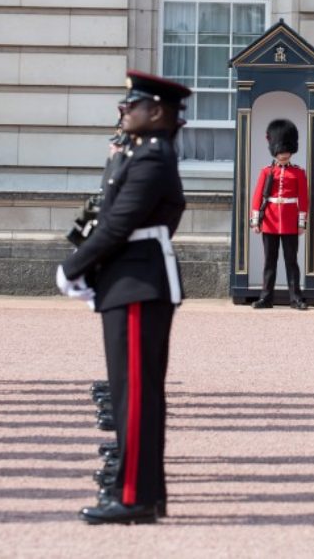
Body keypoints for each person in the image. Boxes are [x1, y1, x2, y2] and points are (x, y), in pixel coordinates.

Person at [58, 69, 188, 525]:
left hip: (137, 281)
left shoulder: (153, 156)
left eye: (132, 105)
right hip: (129, 279)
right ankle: (143, 491)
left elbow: (119, 224)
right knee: (134, 393)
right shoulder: (142, 151)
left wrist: (73, 266)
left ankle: (135, 496)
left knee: (135, 395)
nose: (124, 110)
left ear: (155, 111)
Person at [249, 119, 309, 310]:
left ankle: (296, 298)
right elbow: (257, 197)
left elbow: (304, 199)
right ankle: (266, 298)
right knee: (269, 262)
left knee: (292, 262)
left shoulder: (298, 173)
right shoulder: (267, 172)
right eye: (281, 151)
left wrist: (302, 223)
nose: (283, 155)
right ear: (275, 150)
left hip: (291, 221)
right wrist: (255, 221)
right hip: (270, 221)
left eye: (286, 151)